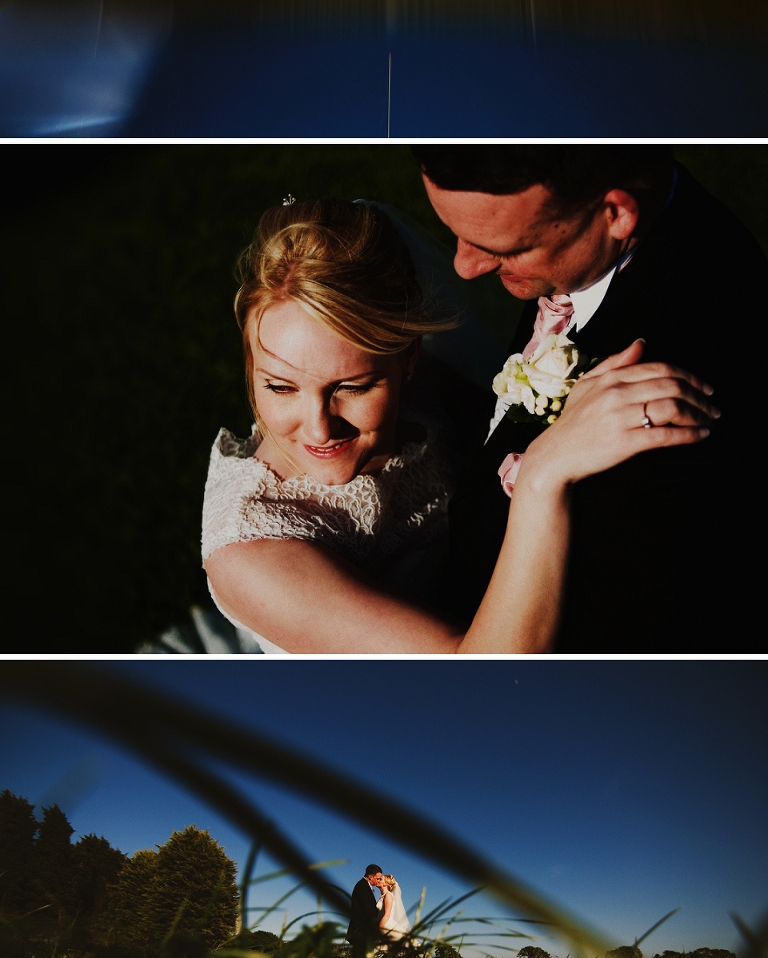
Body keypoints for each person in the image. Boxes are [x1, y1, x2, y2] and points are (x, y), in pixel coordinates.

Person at [201, 198, 715, 653]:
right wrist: (541, 475)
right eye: (279, 387)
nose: (318, 429)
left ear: (408, 359)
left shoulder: (428, 390)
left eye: (352, 387)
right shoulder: (251, 555)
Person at [418, 145, 767, 653]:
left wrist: (540, 472)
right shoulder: (626, 234)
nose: (465, 266)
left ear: (616, 214)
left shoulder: (667, 391)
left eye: (504, 248)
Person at [347, 864, 388, 952]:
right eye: (377, 879)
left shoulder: (364, 885)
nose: (378, 881)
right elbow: (368, 911)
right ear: (370, 877)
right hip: (360, 932)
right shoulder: (362, 886)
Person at [379, 874, 411, 941]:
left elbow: (387, 915)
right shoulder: (383, 896)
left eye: (380, 879)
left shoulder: (388, 896)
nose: (378, 880)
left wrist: (379, 928)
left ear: (386, 884)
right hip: (384, 925)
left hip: (386, 926)